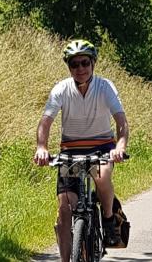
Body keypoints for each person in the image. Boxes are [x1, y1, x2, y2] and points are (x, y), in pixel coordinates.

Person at [33, 39, 129, 262]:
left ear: (93, 63)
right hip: (71, 150)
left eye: (85, 63)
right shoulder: (61, 89)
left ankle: (107, 219)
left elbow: (121, 121)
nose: (80, 69)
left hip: (102, 145)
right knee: (65, 211)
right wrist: (41, 147)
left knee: (102, 175)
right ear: (69, 67)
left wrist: (120, 146)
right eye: (74, 64)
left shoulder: (105, 87)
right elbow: (45, 122)